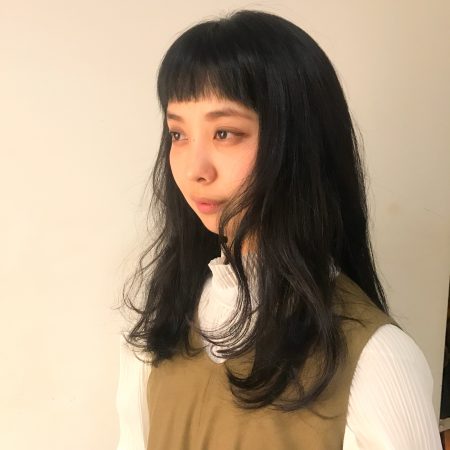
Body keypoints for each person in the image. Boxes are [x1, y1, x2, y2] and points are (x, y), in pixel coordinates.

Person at [116, 10, 442, 450]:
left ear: (297, 143)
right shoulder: (161, 324)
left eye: (224, 133)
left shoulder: (375, 358)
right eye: (178, 134)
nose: (195, 169)